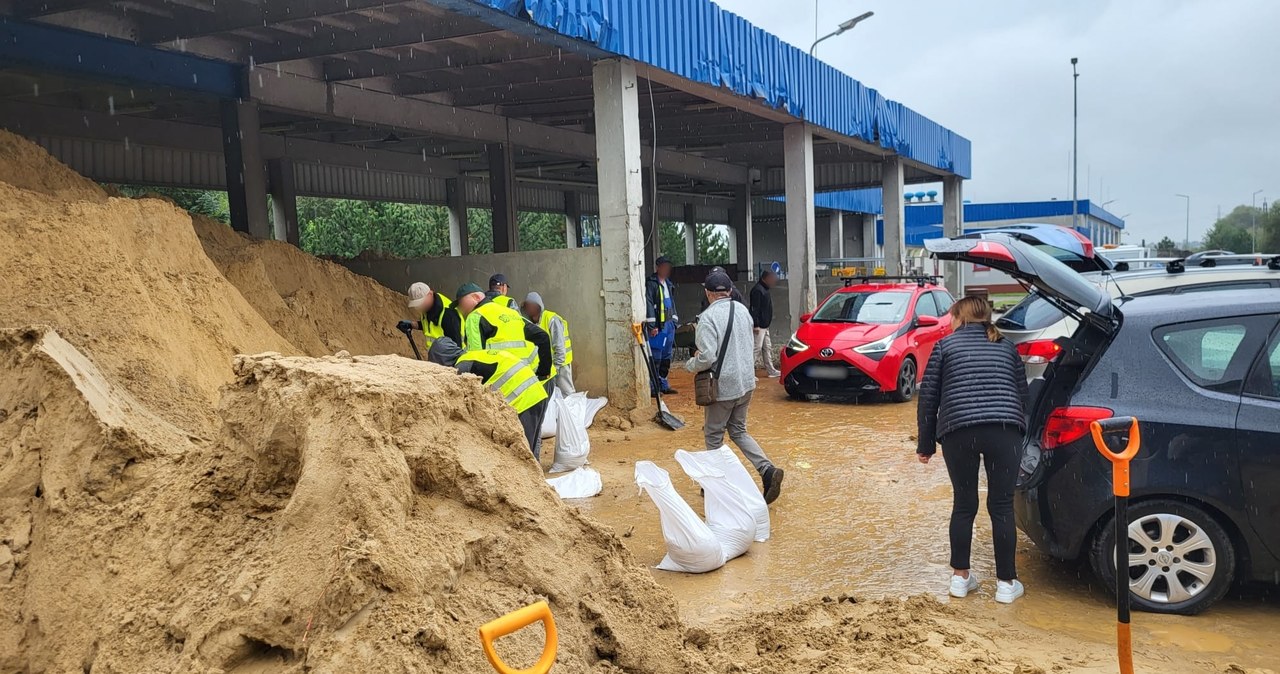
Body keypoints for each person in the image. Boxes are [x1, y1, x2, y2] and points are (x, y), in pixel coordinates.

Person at [917, 296, 1030, 604]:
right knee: (1002, 506)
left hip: (958, 431)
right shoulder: (1007, 346)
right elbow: (1023, 397)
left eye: (952, 317)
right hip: (1004, 430)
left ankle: (960, 578)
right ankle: (1006, 584)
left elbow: (928, 399)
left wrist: (925, 445)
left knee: (964, 504)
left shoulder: (945, 347)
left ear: (960, 318)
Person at [686, 269, 784, 505]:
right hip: (747, 383)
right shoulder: (743, 311)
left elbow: (708, 357)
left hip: (722, 387)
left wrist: (691, 364)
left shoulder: (707, 319)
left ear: (708, 293)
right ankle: (767, 470)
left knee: (713, 436)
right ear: (729, 291)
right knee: (738, 431)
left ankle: (715, 487)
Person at [456, 282, 554, 457]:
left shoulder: (475, 316)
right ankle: (535, 478)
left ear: (476, 297)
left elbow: (475, 362)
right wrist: (542, 373)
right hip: (531, 383)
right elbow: (542, 336)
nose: (460, 310)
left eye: (461, 303)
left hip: (511, 390)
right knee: (530, 444)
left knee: (516, 450)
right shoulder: (510, 313)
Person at [428, 338, 548, 458]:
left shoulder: (462, 367)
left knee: (522, 453)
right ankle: (536, 475)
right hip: (536, 391)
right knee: (530, 450)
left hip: (524, 398)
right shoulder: (474, 355)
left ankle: (528, 476)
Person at [522, 292, 575, 396]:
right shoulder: (530, 323)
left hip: (560, 365)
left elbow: (559, 346)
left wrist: (556, 367)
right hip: (545, 367)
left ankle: (572, 411)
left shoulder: (551, 319)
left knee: (567, 394)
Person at [644, 256, 679, 395]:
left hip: (669, 325)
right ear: (657, 267)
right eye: (663, 266)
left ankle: (663, 384)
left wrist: (675, 321)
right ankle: (653, 387)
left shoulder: (669, 284)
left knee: (666, 357)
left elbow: (672, 303)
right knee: (656, 356)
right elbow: (649, 304)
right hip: (659, 325)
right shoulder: (651, 284)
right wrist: (652, 325)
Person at [396, 282, 462, 351]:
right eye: (416, 305)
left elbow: (456, 347)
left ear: (430, 294)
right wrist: (412, 324)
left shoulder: (448, 314)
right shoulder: (428, 308)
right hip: (436, 356)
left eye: (421, 303)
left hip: (447, 358)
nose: (419, 307)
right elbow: (430, 326)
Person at [748, 270, 780, 378]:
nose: (773, 281)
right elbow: (754, 309)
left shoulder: (764, 289)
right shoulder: (758, 290)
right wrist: (756, 324)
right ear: (766, 278)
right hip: (759, 326)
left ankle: (771, 370)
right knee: (756, 349)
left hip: (765, 326)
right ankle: (748, 373)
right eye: (772, 278)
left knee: (767, 348)